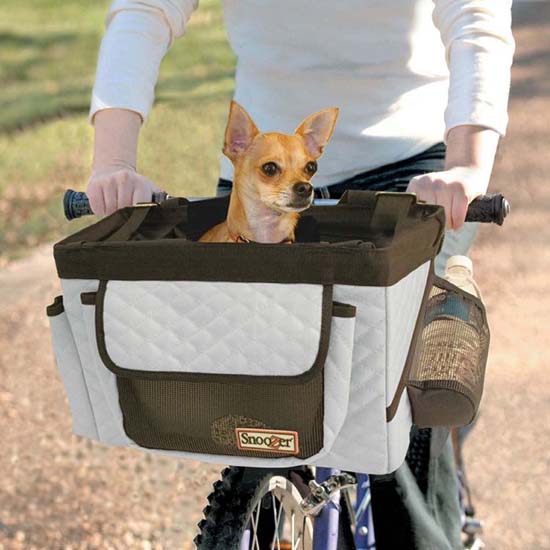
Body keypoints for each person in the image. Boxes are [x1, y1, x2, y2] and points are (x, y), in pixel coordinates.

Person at [87, 1, 514, 548]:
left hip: (413, 168)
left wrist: (467, 166)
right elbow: (144, 12)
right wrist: (113, 162)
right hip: (261, 178)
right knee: (254, 381)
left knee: (395, 389)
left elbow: (475, 17)